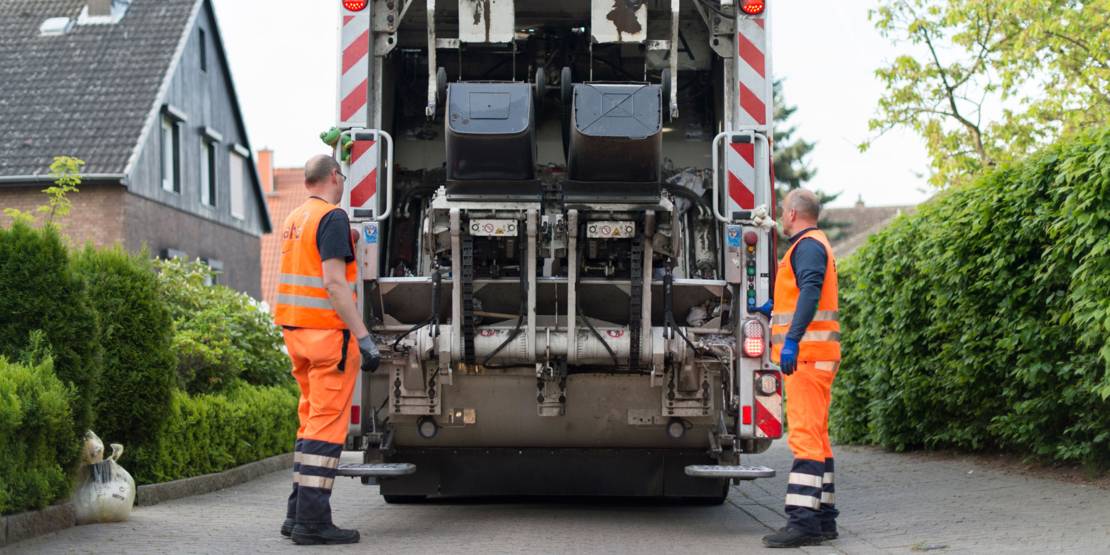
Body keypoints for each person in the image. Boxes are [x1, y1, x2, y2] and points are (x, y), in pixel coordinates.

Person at [274, 155, 380, 545]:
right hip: (328, 338)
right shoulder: (332, 217)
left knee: (309, 422)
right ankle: (313, 522)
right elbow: (334, 284)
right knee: (326, 427)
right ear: (334, 176)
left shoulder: (295, 218)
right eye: (343, 178)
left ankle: (295, 515)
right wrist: (364, 338)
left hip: (297, 333)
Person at [756, 188, 841, 548]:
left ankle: (802, 522)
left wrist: (791, 339)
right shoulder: (813, 244)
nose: (781, 215)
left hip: (806, 356)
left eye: (782, 211)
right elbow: (802, 293)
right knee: (818, 437)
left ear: (792, 214)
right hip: (816, 355)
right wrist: (772, 306)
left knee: (804, 437)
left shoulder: (807, 246)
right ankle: (823, 519)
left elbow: (810, 291)